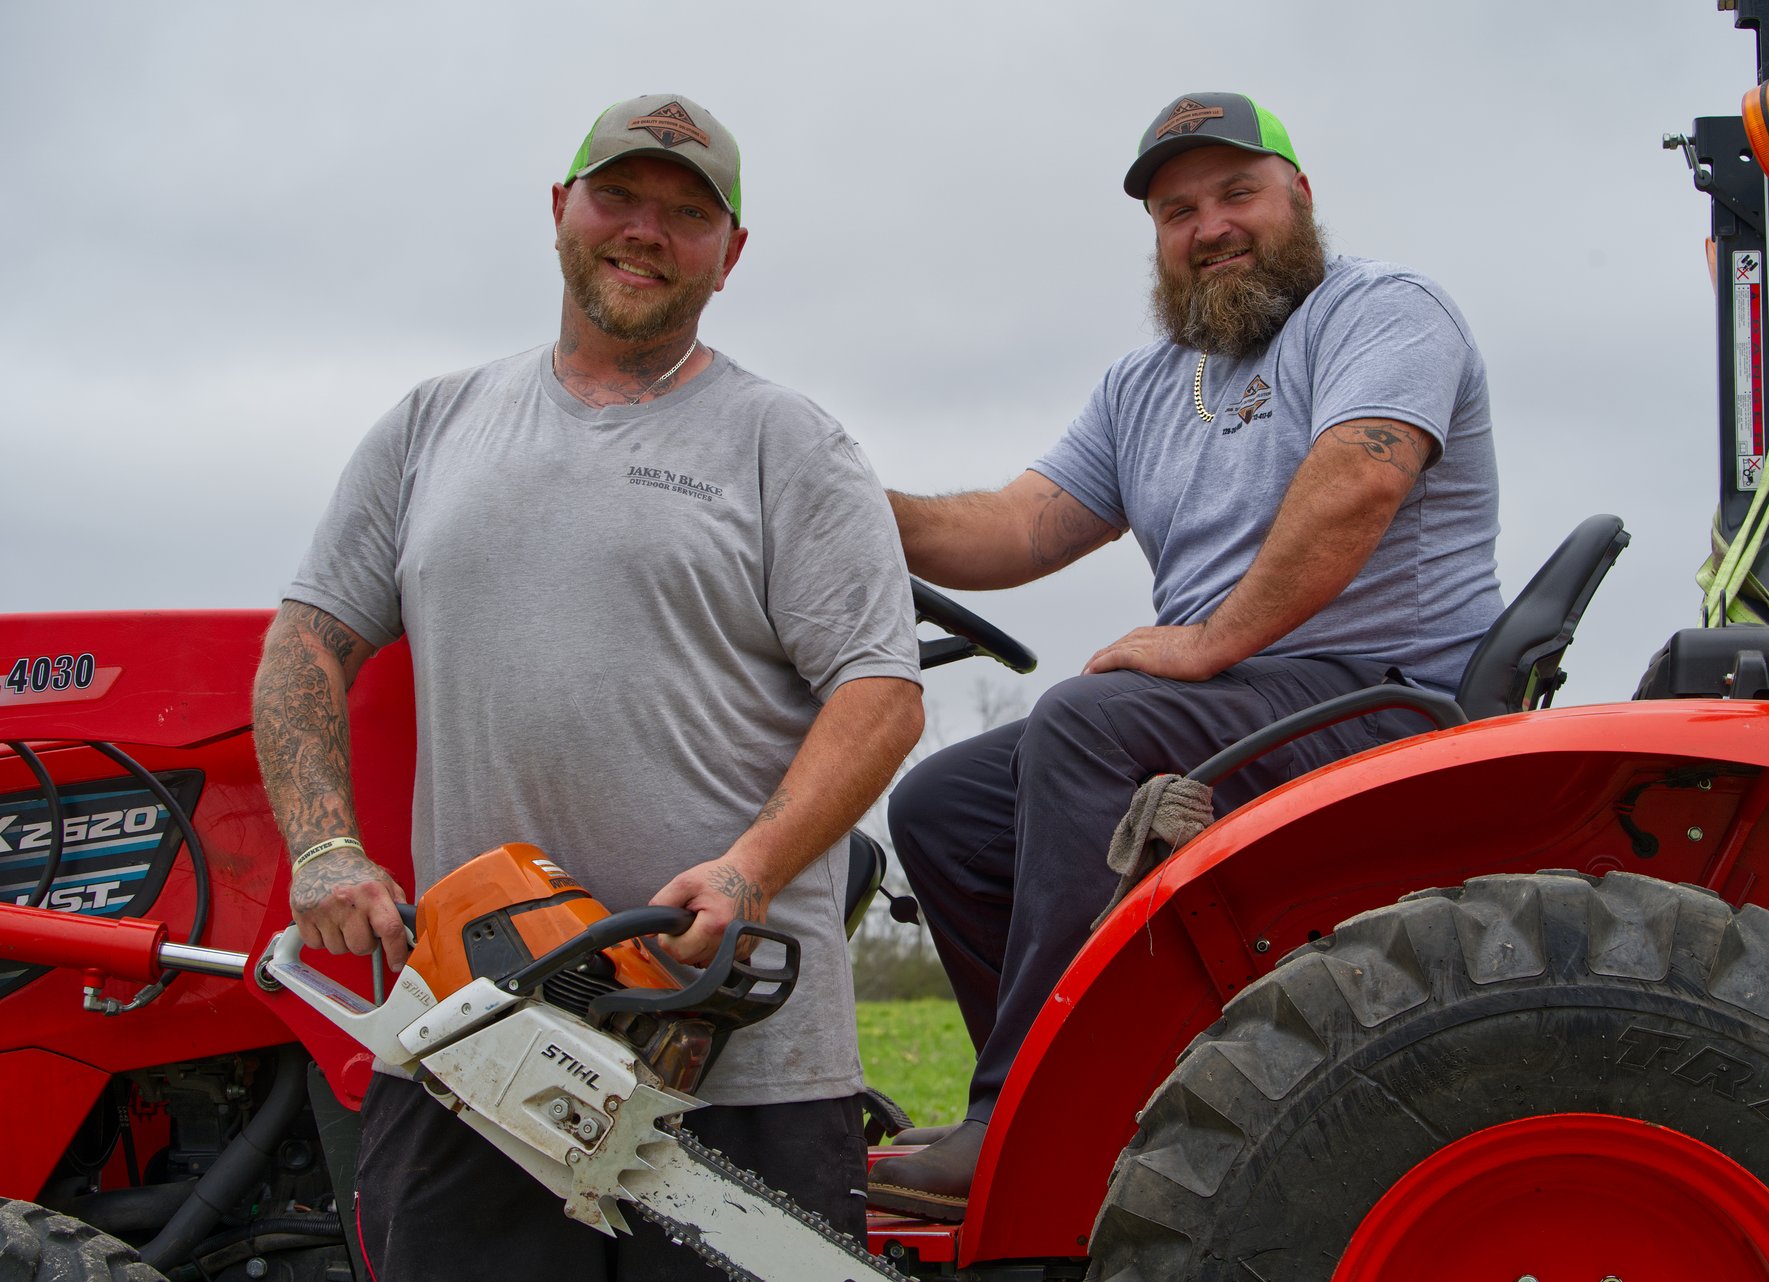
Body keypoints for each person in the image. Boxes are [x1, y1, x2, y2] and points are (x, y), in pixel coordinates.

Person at [250, 94, 925, 1279]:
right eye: (619, 198)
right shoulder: (430, 427)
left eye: (686, 213)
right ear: (561, 211)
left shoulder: (793, 446)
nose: (645, 232)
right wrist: (321, 848)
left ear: (731, 253)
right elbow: (305, 643)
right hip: (479, 1040)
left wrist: (746, 869)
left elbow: (881, 690)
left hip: (728, 1054)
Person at [867, 91, 1502, 1220]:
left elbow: (1363, 471)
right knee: (943, 803)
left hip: (1382, 701)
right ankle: (1100, 1105)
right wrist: (848, 502)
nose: (1210, 226)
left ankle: (1034, 1125)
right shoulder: (1147, 384)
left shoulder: (1383, 312)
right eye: (1177, 209)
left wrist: (1209, 641)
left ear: (1297, 196)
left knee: (1092, 721)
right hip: (1245, 706)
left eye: (1235, 194)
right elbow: (1017, 526)